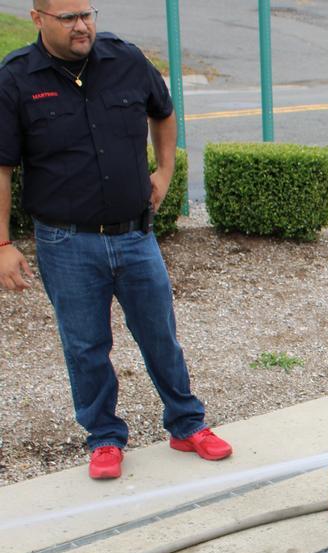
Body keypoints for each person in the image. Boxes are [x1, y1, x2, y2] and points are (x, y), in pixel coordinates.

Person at [0, 1, 231, 480]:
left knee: (160, 337)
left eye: (87, 14)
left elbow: (163, 114)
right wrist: (2, 245)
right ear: (38, 18)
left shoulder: (125, 60)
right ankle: (104, 437)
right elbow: (1, 167)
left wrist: (165, 171)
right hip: (66, 243)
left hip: (135, 236)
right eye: (68, 18)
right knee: (85, 346)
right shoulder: (15, 79)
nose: (81, 25)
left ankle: (187, 424)